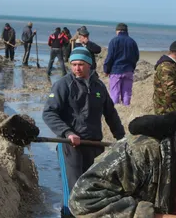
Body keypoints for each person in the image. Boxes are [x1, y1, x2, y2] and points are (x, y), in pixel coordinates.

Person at [42, 46, 125, 217]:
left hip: (94, 145)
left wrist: (121, 137)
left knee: (91, 188)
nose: (76, 68)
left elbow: (110, 113)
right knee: (73, 189)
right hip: (70, 146)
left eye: (80, 64)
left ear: (89, 65)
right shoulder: (63, 85)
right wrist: (67, 132)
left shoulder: (99, 86)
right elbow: (49, 113)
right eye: (73, 64)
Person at [103, 23, 140, 106]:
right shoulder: (132, 42)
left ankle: (115, 111)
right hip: (128, 70)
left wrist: (106, 70)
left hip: (116, 70)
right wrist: (132, 67)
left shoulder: (114, 41)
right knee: (127, 93)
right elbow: (136, 56)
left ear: (118, 31)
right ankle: (126, 109)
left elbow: (110, 57)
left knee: (115, 93)